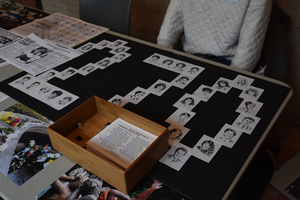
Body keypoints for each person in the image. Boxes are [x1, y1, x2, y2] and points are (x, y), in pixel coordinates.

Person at [157, 0, 272, 71]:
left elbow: (249, 45)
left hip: (226, 62)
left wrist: (234, 76)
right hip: (189, 53)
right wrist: (160, 53)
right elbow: (173, 17)